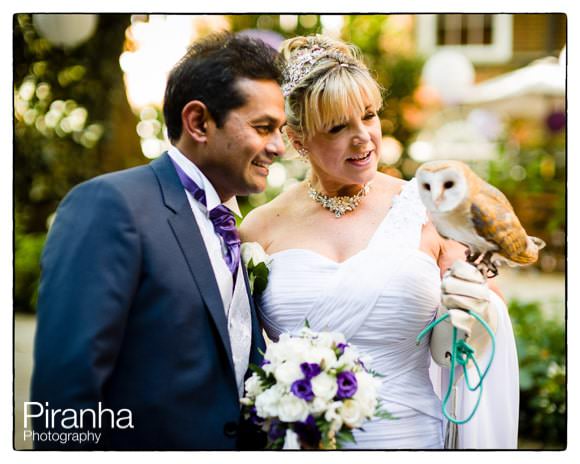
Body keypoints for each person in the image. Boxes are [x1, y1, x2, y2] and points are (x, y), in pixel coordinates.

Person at [240, 35, 519, 449]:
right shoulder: (258, 229)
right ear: (298, 141)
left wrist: (478, 315)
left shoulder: (431, 207)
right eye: (338, 127)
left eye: (368, 116)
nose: (364, 138)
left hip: (412, 439)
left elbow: (466, 339)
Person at [30, 32, 286, 450]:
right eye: (263, 128)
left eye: (280, 130)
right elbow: (66, 391)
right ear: (199, 122)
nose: (278, 147)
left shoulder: (240, 229)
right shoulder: (110, 206)